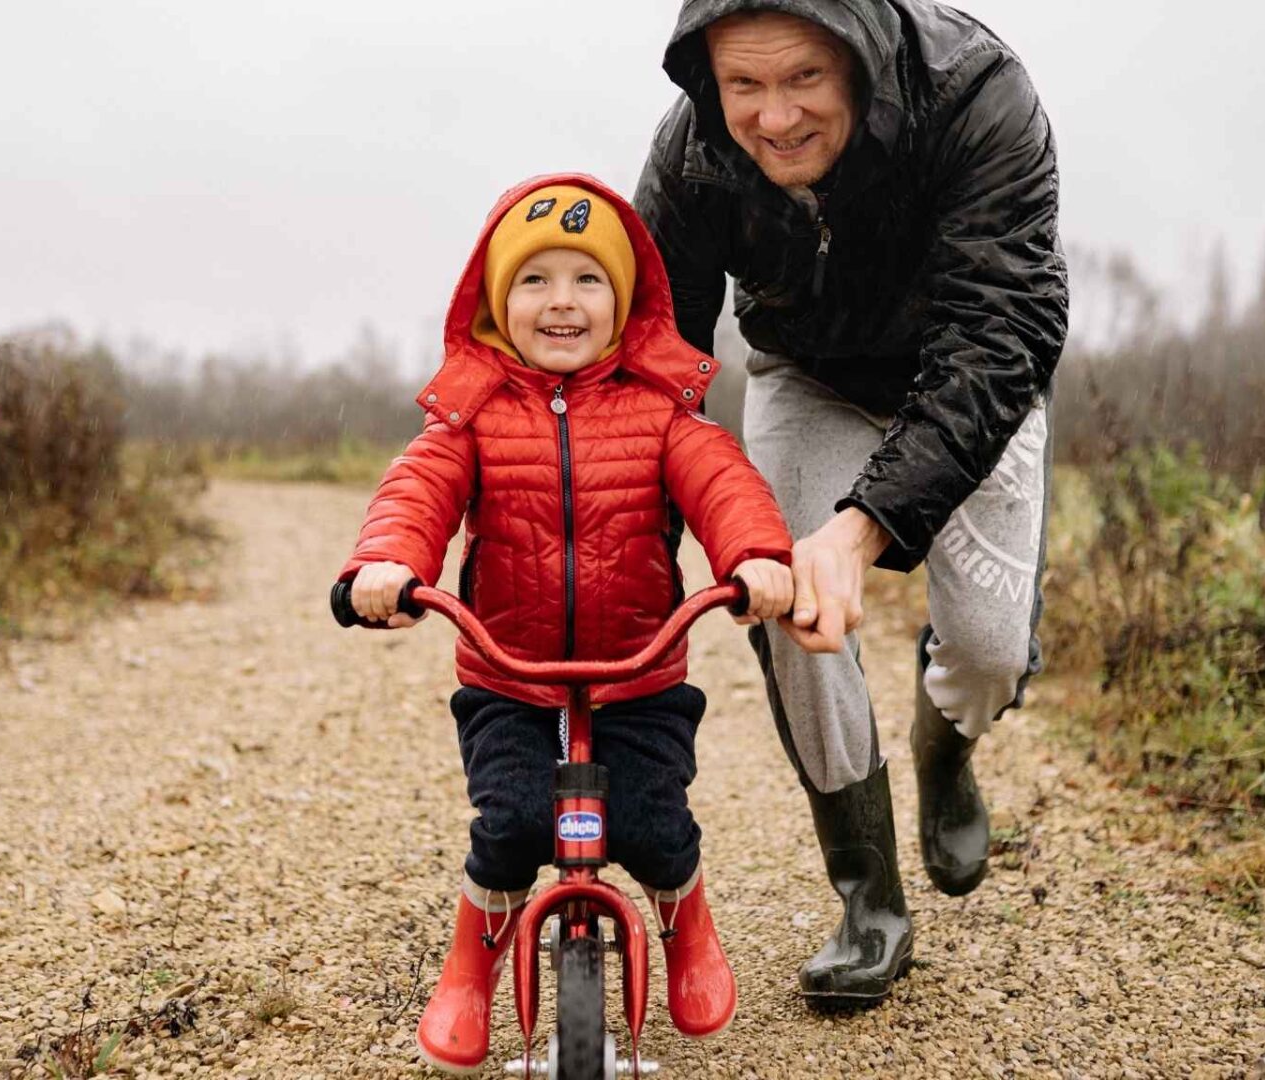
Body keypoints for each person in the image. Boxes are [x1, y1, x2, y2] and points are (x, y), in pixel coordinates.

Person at [635, 0, 1069, 1006]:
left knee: (993, 646)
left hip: (965, 374)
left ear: (861, 59)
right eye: (744, 84)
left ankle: (945, 749)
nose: (774, 117)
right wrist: (637, 544)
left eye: (803, 81)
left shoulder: (978, 96)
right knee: (789, 605)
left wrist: (863, 525)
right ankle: (869, 895)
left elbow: (1002, 333)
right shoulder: (693, 151)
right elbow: (661, 363)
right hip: (807, 372)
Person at [337, 173, 796, 1073]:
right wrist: (386, 564)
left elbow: (723, 481)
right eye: (535, 279)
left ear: (623, 305)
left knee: (656, 825)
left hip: (640, 674)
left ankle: (685, 921)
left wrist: (755, 558)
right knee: (508, 825)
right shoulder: (470, 419)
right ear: (496, 302)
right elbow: (417, 490)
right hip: (510, 679)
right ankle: (471, 966)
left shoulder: (662, 413)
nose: (562, 302)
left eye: (588, 281)